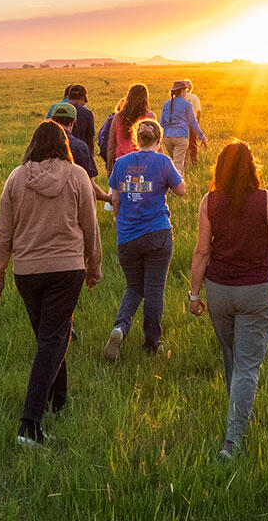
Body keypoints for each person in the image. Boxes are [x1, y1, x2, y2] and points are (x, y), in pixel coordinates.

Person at [0, 122, 104, 446]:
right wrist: (95, 266)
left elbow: (2, 232)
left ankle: (59, 400)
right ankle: (30, 424)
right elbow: (90, 228)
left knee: (50, 335)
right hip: (67, 269)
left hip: (27, 272)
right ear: (64, 144)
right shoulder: (78, 176)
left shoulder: (16, 178)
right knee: (52, 338)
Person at [186, 140, 268, 460]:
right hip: (257, 289)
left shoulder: (209, 201)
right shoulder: (266, 200)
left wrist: (193, 294)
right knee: (247, 365)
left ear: (219, 169)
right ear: (252, 168)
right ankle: (233, 441)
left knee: (232, 357)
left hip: (218, 290)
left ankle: (238, 417)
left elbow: (203, 251)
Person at [103, 118, 186, 361]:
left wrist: (120, 221)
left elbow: (114, 199)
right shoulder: (162, 161)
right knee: (154, 290)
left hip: (127, 236)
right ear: (159, 141)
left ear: (136, 139)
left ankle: (120, 328)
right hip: (157, 233)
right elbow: (181, 190)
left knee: (134, 287)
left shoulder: (121, 163)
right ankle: (152, 344)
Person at [159, 79, 207, 182]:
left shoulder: (166, 103)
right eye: (185, 90)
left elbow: (161, 123)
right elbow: (193, 123)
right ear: (181, 91)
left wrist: (160, 139)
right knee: (178, 164)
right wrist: (202, 137)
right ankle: (175, 189)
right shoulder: (187, 104)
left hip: (167, 137)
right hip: (181, 137)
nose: (186, 92)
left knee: (175, 162)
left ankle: (180, 185)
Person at [99, 83, 152, 171]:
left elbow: (111, 146)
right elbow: (157, 144)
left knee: (123, 185)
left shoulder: (117, 117)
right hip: (144, 162)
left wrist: (109, 168)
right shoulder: (150, 117)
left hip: (121, 162)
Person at [47, 100, 98, 178]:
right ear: (73, 123)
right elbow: (89, 181)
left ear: (52, 121)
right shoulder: (80, 147)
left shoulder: (39, 144)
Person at [63, 84, 96, 149]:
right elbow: (90, 138)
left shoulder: (61, 110)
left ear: (69, 98)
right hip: (81, 149)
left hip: (63, 149)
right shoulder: (87, 113)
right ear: (82, 99)